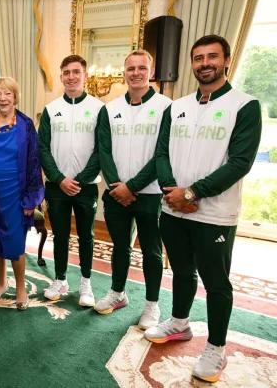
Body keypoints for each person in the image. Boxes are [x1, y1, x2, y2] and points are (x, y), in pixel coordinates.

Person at [144, 35, 262, 383]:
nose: (204, 63)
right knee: (181, 272)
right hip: (173, 209)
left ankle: (216, 348)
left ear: (227, 60)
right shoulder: (177, 106)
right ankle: (179, 323)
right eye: (198, 58)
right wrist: (171, 191)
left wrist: (192, 193)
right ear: (192, 63)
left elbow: (240, 162)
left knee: (216, 282)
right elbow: (161, 152)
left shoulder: (245, 105)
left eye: (212, 57)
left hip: (214, 214)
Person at [95, 50, 172, 330]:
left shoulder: (167, 107)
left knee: (151, 251)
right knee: (120, 247)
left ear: (150, 72)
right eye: (130, 68)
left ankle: (152, 304)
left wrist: (133, 187)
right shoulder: (110, 108)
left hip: (151, 193)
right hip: (116, 193)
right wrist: (118, 186)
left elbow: (163, 153)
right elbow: (103, 150)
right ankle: (117, 293)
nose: (136, 72)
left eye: (142, 68)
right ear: (123, 72)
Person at [38, 55, 104, 307]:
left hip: (86, 186)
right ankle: (60, 278)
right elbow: (43, 148)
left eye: (76, 72)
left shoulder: (99, 108)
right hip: (56, 187)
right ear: (61, 76)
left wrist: (80, 179)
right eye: (66, 72)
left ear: (85, 76)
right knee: (60, 235)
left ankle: (86, 283)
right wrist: (59, 178)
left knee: (86, 236)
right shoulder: (51, 109)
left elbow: (102, 149)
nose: (71, 77)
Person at [0, 77, 44, 310]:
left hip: (16, 193)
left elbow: (34, 162)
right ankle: (0, 282)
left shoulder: (26, 124)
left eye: (8, 93)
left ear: (15, 96)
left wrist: (31, 199)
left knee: (15, 242)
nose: (3, 98)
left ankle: (20, 286)